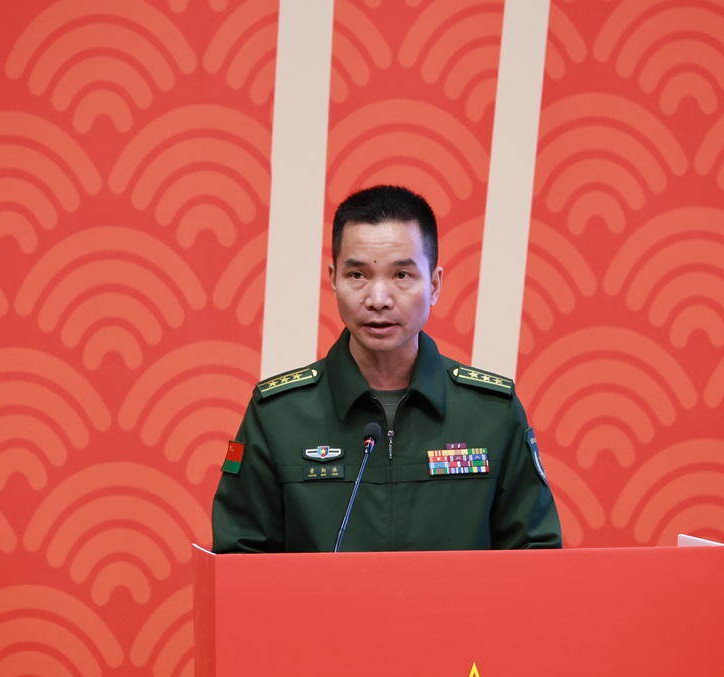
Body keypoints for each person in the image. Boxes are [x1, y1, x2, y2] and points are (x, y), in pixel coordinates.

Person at [212, 185, 561, 552]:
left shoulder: (492, 413)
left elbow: (536, 557)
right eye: (357, 275)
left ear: (434, 285)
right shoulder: (278, 416)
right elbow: (239, 561)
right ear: (333, 280)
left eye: (401, 275)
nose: (378, 300)